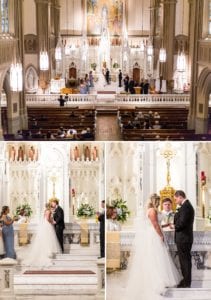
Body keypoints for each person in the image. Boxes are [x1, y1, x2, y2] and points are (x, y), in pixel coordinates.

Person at [124, 194, 181, 300]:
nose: (159, 204)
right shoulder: (152, 211)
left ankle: (161, 280)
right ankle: (156, 282)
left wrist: (166, 225)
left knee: (158, 257)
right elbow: (155, 225)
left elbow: (157, 224)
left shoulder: (151, 210)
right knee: (156, 257)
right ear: (155, 201)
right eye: (158, 202)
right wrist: (161, 236)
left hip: (154, 233)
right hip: (154, 235)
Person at [173, 190, 194, 288]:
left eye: (176, 199)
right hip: (184, 238)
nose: (175, 201)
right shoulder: (185, 206)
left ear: (180, 197)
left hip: (184, 238)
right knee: (184, 260)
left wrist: (174, 226)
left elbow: (181, 223)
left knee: (185, 261)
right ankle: (185, 281)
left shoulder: (186, 207)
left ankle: (186, 283)